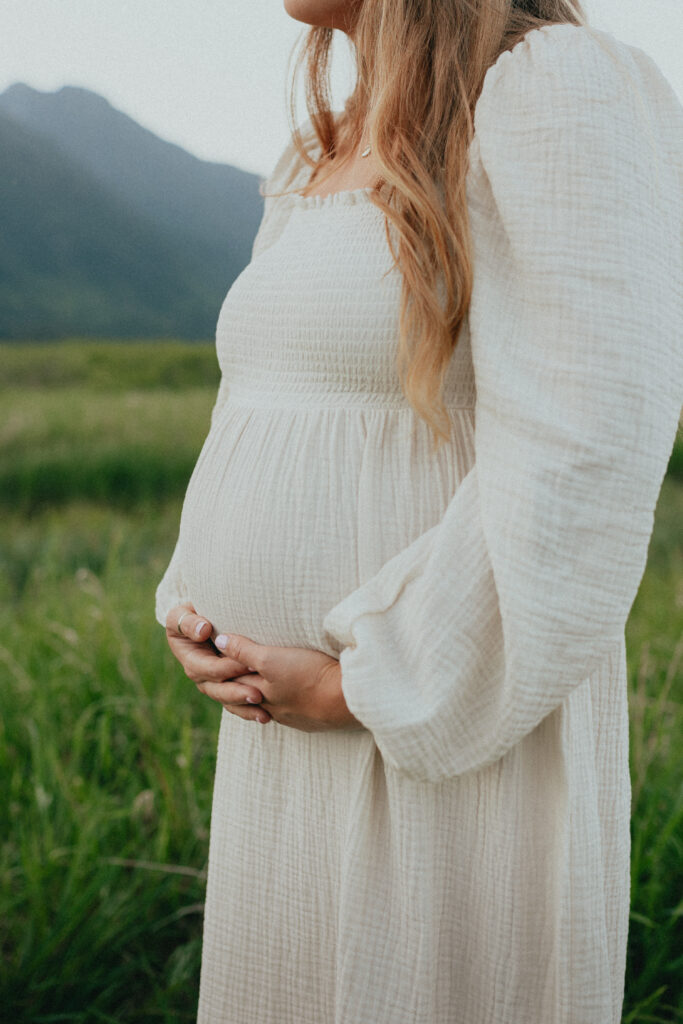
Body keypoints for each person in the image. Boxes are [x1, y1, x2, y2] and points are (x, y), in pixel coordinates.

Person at [155, 1, 683, 1021]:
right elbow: (268, 398)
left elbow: (590, 446)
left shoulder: (551, 85)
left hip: (442, 738)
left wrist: (364, 682)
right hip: (283, 747)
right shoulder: (323, 138)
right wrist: (198, 605)